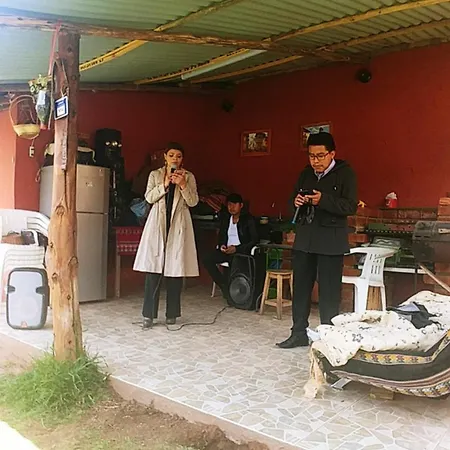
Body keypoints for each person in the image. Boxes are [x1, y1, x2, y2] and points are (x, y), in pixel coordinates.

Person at [277, 132, 357, 349]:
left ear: (332, 154)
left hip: (331, 241)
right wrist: (296, 202)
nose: (316, 161)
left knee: (329, 293)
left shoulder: (345, 173)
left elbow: (350, 206)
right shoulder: (306, 174)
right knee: (301, 288)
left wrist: (323, 200)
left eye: (320, 156)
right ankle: (298, 333)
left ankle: (328, 339)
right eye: (312, 156)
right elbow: (292, 201)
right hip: (305, 239)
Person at [133, 142, 199, 328]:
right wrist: (164, 184)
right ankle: (148, 315)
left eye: (178, 156)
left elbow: (193, 202)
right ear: (165, 157)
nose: (174, 159)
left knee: (175, 271)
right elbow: (148, 197)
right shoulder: (155, 175)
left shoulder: (189, 176)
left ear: (182, 159)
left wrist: (183, 185)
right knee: (153, 270)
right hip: (158, 223)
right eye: (171, 155)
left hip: (178, 224)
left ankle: (172, 314)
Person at [203, 193, 258, 298]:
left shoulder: (248, 219)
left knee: (233, 265)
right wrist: (222, 245)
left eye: (234, 204)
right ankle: (223, 285)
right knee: (207, 258)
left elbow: (254, 240)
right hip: (226, 251)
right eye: (229, 205)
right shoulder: (226, 219)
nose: (231, 207)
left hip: (241, 253)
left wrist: (237, 249)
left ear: (241, 205)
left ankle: (233, 292)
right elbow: (221, 236)